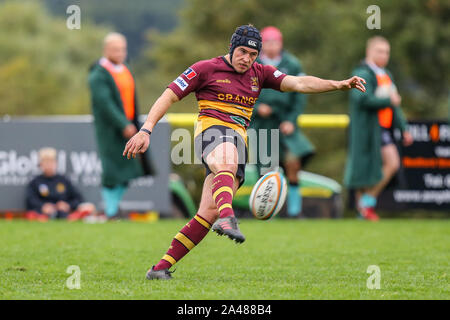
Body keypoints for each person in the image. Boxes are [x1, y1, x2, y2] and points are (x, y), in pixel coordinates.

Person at [123, 24, 366, 280]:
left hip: (238, 139)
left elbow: (300, 83)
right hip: (211, 131)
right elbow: (169, 96)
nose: (247, 59)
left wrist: (338, 84)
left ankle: (160, 268)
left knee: (207, 212)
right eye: (242, 52)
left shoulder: (260, 73)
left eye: (252, 55)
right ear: (231, 47)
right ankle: (228, 217)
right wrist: (146, 130)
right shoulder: (205, 68)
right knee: (226, 163)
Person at [344, 36, 413, 221]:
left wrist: (403, 128)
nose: (384, 55)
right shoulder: (363, 73)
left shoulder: (387, 75)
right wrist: (387, 100)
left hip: (382, 129)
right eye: (380, 51)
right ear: (369, 52)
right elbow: (362, 99)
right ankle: (364, 209)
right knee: (364, 169)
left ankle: (366, 203)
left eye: (387, 52)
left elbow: (394, 106)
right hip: (366, 130)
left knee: (392, 163)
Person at [251, 26, 315, 217]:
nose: (272, 46)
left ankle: (295, 211)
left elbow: (299, 96)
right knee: (265, 169)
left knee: (293, 162)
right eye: (268, 42)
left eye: (275, 42)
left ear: (281, 43)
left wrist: (291, 120)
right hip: (261, 124)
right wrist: (256, 108)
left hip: (284, 122)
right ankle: (266, 211)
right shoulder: (253, 63)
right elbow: (241, 92)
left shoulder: (292, 64)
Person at [88, 32, 152, 219]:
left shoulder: (125, 69)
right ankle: (111, 210)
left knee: (131, 168)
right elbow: (105, 103)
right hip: (110, 131)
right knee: (112, 170)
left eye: (122, 49)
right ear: (106, 50)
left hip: (130, 126)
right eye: (116, 49)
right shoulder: (98, 73)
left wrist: (131, 123)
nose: (120, 53)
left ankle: (113, 208)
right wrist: (122, 124)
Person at [25, 147, 96, 221]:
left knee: (88, 207)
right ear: (40, 164)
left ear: (56, 163)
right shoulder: (35, 182)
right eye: (46, 162)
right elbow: (30, 200)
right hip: (44, 215)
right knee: (33, 215)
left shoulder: (63, 180)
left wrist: (67, 205)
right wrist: (43, 206)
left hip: (64, 214)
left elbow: (78, 198)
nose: (49, 165)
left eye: (51, 162)